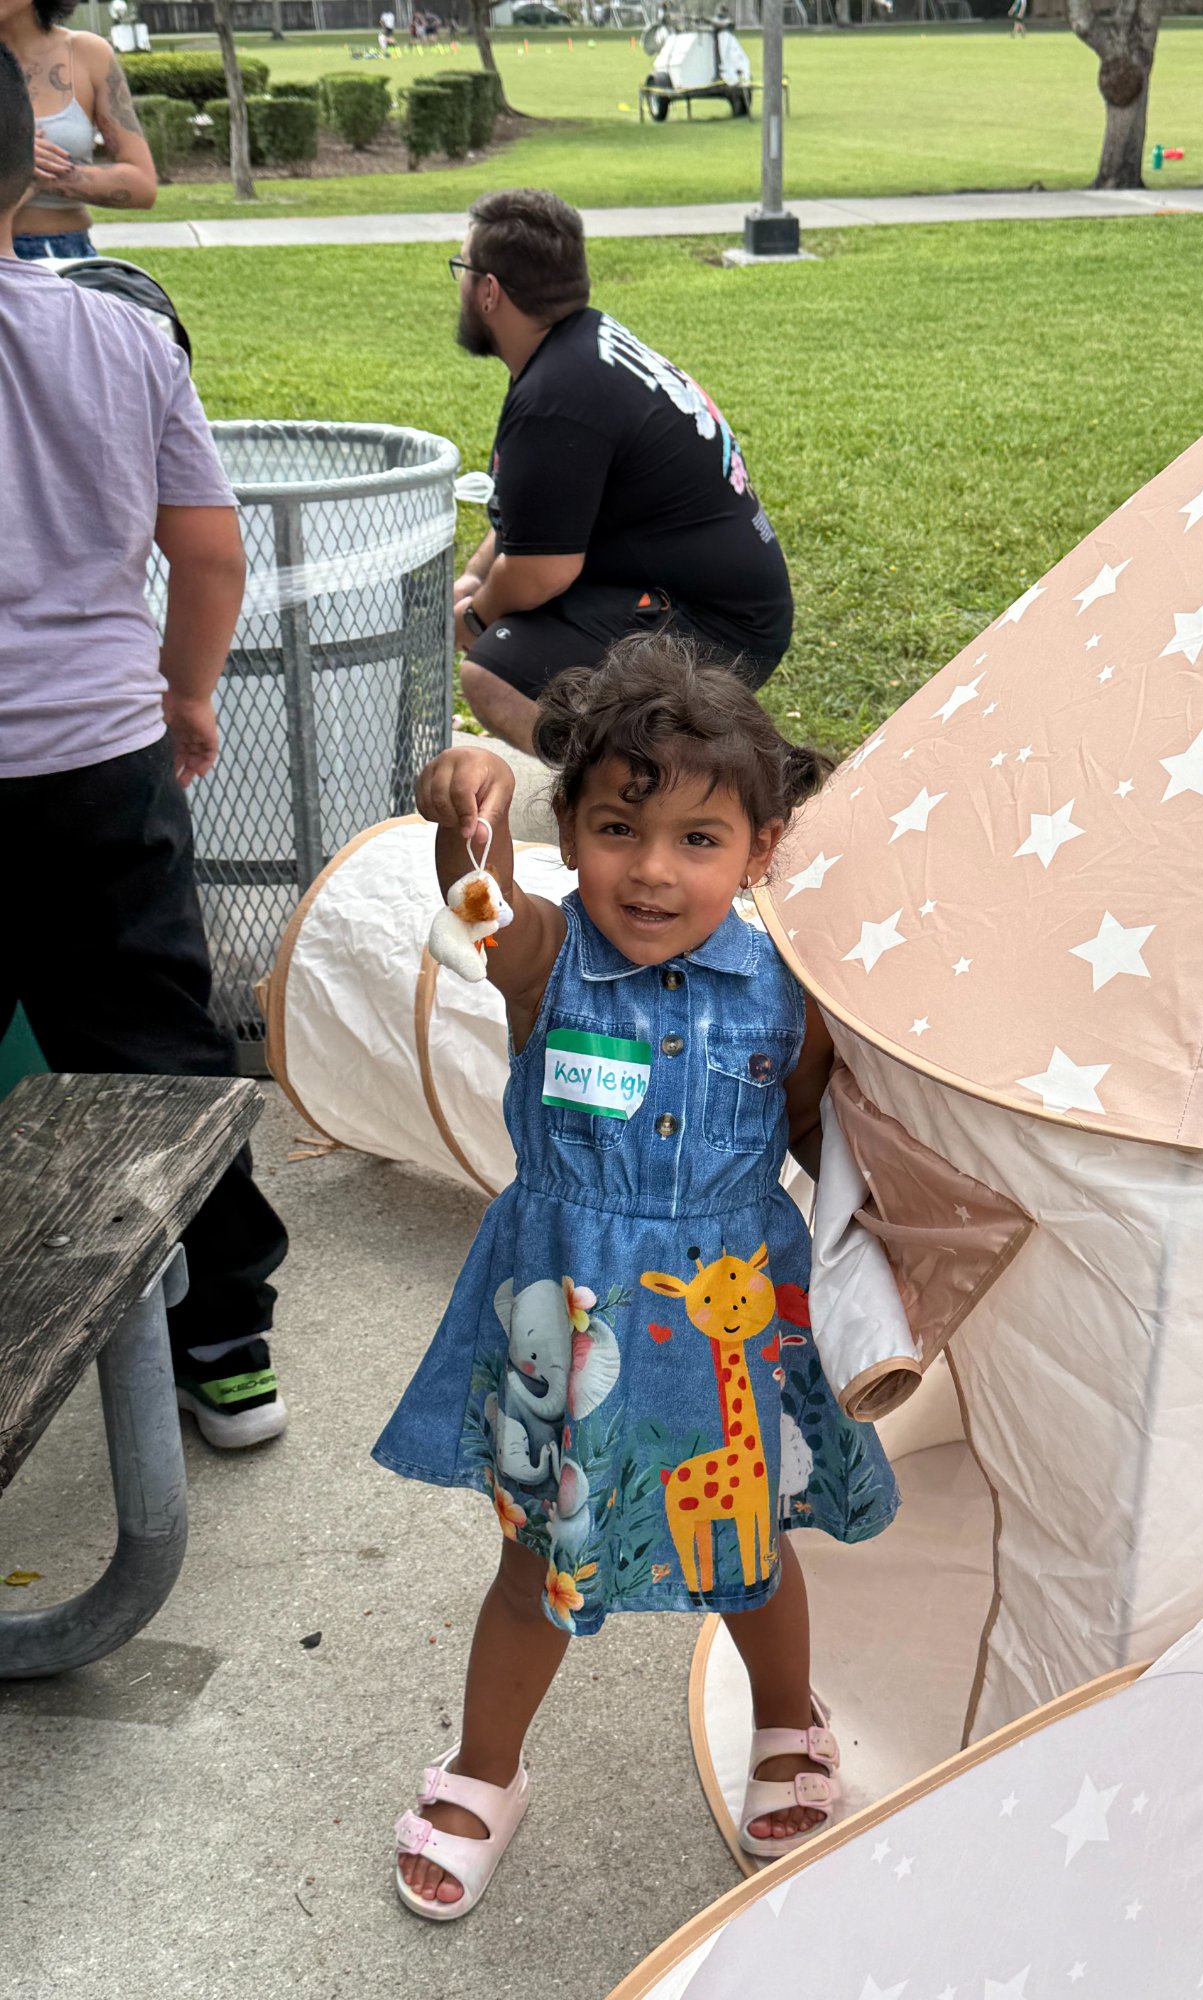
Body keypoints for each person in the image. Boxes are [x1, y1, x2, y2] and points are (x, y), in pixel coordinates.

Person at [376, 636, 898, 1918]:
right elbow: (476, 905)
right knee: (537, 1559)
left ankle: (788, 1717)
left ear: (763, 847)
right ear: (571, 833)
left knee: (753, 1540)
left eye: (699, 838)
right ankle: (483, 1771)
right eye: (618, 827)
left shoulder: (792, 994)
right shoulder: (546, 955)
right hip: (569, 1310)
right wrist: (464, 821)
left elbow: (821, 1141)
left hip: (729, 1323)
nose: (653, 869)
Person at [0, 46, 290, 1448]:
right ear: (26, 175)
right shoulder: (124, 336)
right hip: (101, 762)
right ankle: (227, 1341)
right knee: (163, 1050)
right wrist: (186, 694)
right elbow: (210, 556)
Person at [450, 188, 795, 754]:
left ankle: (638, 793)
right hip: (707, 595)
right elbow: (535, 511)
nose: (460, 284)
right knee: (506, 631)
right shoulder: (580, 347)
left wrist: (479, 617)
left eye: (462, 268)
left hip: (717, 627)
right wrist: (475, 578)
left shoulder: (556, 396)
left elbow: (542, 571)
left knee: (493, 673)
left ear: (489, 291)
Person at [0, 0, 155, 261]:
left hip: (65, 255)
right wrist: (14, 164)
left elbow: (142, 185)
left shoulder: (87, 54)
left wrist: (44, 174)